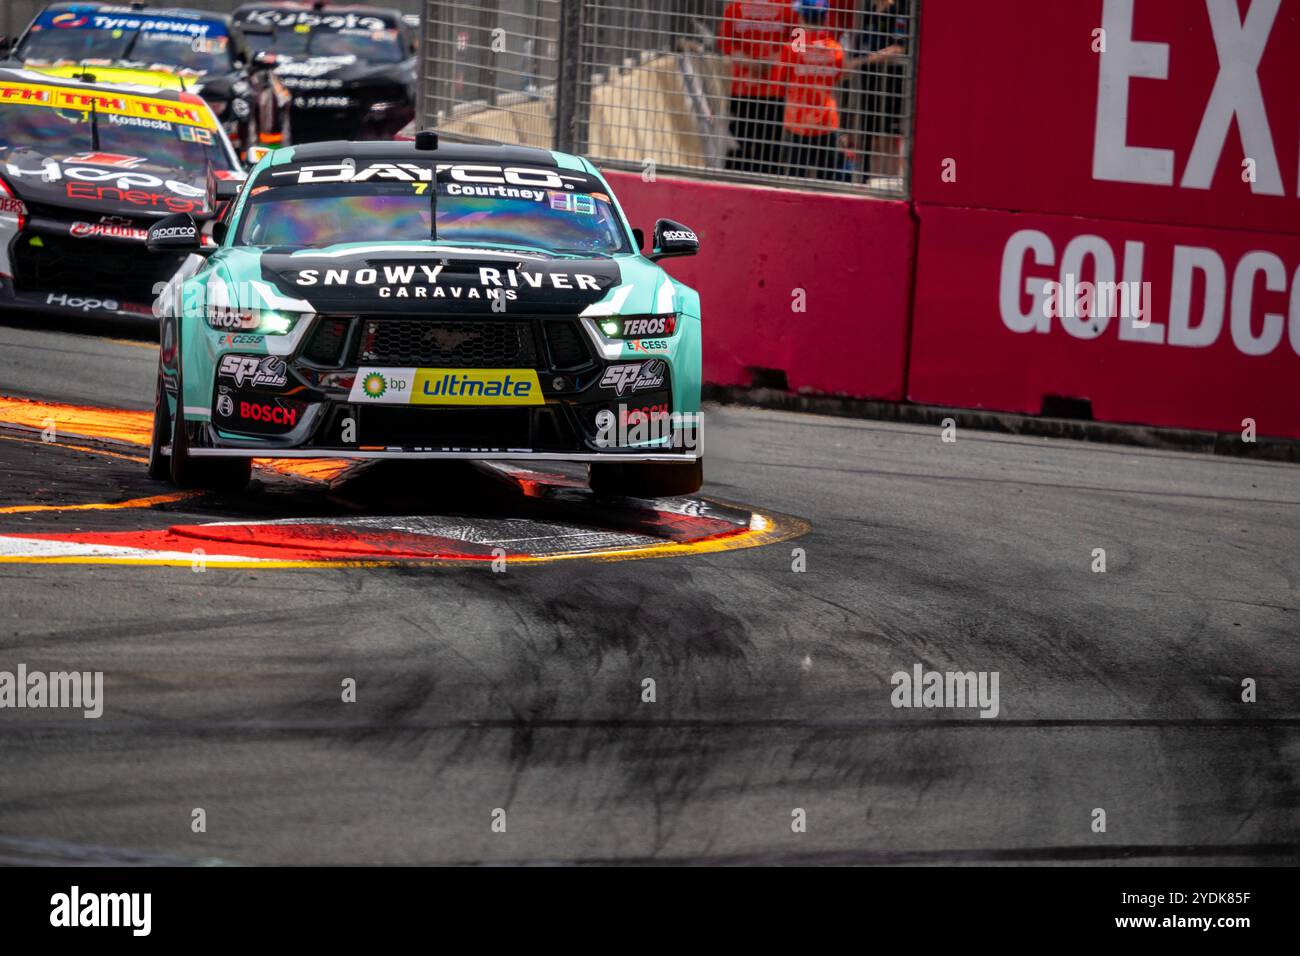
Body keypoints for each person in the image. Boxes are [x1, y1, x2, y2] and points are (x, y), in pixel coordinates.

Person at [717, 0, 798, 175]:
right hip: (745, 89)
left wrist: (778, 57)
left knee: (768, 147)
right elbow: (725, 40)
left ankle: (765, 189)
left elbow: (799, 36)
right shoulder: (737, 5)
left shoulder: (787, 5)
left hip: (772, 89)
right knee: (739, 146)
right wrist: (749, 61)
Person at [772, 0, 845, 181]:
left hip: (798, 123)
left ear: (802, 17)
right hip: (826, 122)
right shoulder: (835, 49)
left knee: (795, 181)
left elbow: (779, 81)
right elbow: (837, 77)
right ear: (825, 17)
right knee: (828, 181)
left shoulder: (793, 47)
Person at [852, 0, 912, 178]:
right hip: (867, 82)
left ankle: (889, 181)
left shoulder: (899, 11)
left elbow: (899, 47)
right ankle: (865, 177)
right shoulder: (868, 11)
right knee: (867, 131)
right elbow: (858, 47)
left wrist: (870, 58)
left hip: (890, 83)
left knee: (889, 133)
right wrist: (858, 61)